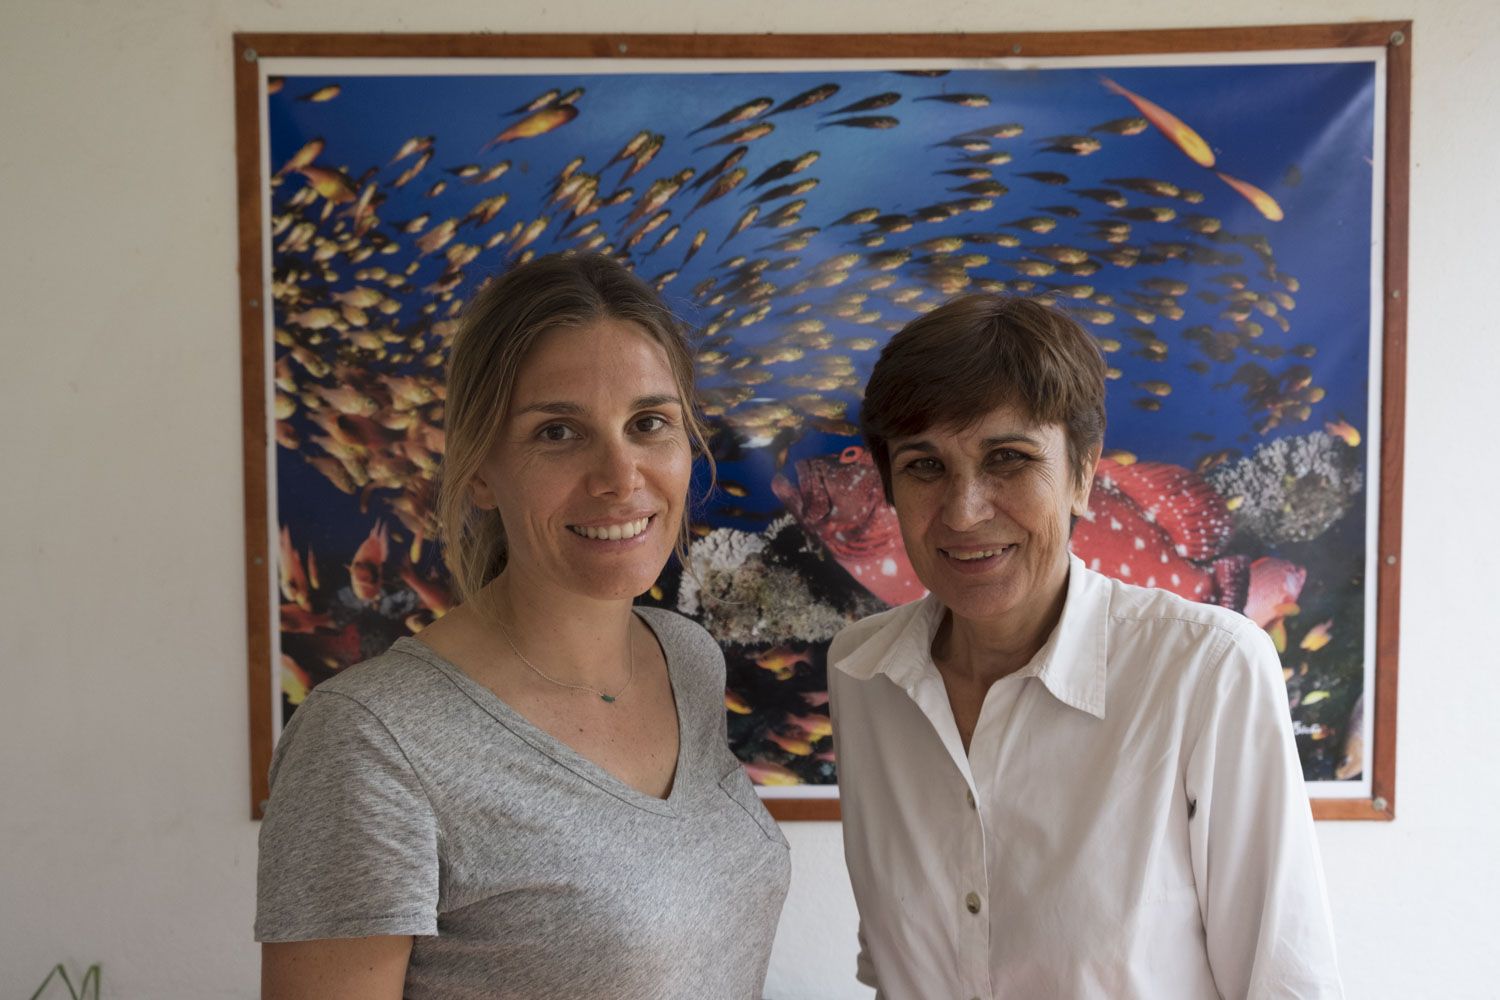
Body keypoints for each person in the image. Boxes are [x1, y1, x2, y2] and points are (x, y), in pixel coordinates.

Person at [256, 253, 790, 999]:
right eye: (557, 433)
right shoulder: (369, 740)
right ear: (477, 469)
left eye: (649, 423)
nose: (620, 475)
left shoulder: (686, 658)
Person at [828, 294, 1342, 999]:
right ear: (889, 484)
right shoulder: (862, 674)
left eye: (1007, 458)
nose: (964, 509)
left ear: (1082, 472)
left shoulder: (1209, 669)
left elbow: (1285, 984)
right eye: (924, 465)